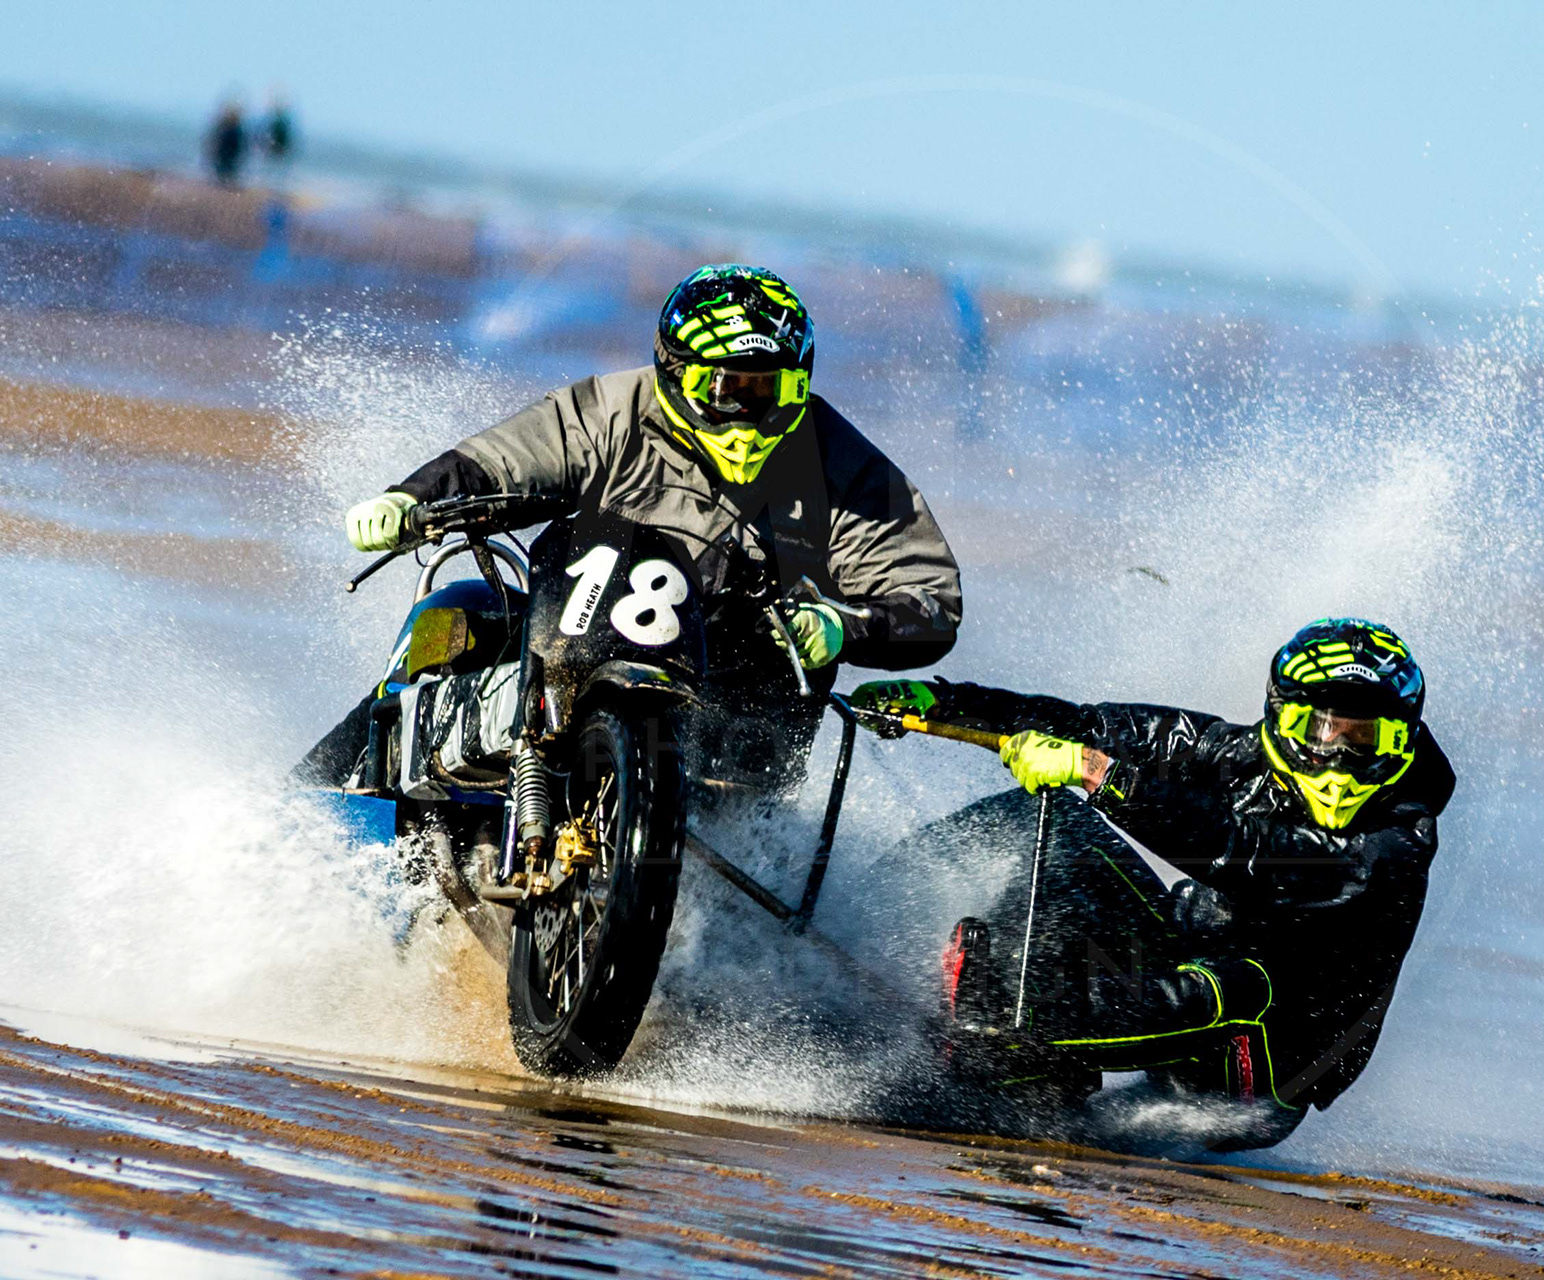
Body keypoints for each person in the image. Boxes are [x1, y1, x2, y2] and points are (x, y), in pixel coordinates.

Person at [301, 264, 962, 790]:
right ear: (675, 374)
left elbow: (927, 594)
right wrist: (408, 499)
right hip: (568, 654)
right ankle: (310, 805)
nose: (746, 412)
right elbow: (506, 460)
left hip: (736, 713)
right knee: (456, 612)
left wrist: (845, 625)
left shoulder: (844, 464)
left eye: (768, 391)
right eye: (725, 389)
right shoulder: (610, 410)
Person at [852, 617, 1452, 1148]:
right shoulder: (1238, 754)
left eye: (1365, 738)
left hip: (1257, 1072)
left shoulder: (1397, 843)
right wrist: (943, 701)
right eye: (1317, 730)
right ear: (1279, 719)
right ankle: (855, 924)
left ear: (1404, 739)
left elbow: (1247, 853)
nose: (1337, 757)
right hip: (1183, 973)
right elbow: (1091, 726)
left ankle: (1010, 1033)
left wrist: (1101, 775)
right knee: (1053, 820)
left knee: (1242, 986)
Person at [205, 99, 247, 187]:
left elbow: (239, 142)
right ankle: (224, 180)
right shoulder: (226, 126)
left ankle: (225, 180)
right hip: (226, 149)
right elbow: (217, 137)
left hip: (229, 149)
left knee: (227, 165)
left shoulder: (234, 128)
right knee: (225, 165)